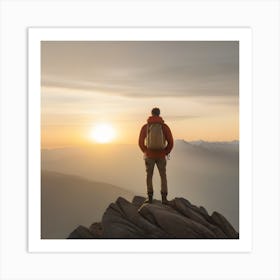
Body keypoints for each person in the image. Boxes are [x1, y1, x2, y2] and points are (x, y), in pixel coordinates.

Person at [138, 108, 174, 204]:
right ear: (159, 114)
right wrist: (166, 152)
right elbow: (171, 142)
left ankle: (150, 198)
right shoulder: (164, 127)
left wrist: (146, 151)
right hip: (161, 155)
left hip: (149, 155)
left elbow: (140, 142)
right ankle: (164, 198)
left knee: (149, 176)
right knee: (163, 176)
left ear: (151, 114)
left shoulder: (146, 127)